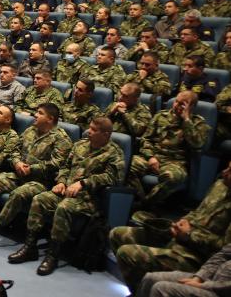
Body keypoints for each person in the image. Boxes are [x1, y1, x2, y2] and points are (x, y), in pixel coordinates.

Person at [12, 117, 124, 276]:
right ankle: (30, 247)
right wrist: (62, 181)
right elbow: (65, 166)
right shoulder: (80, 145)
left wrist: (83, 183)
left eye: (93, 130)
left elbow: (112, 178)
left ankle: (53, 255)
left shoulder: (114, 153)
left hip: (88, 199)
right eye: (89, 128)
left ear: (106, 134)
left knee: (63, 208)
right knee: (40, 199)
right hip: (65, 192)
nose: (88, 131)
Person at [112, 162, 231, 295]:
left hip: (195, 257)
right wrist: (181, 223)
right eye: (227, 167)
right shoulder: (220, 185)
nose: (224, 172)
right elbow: (197, 212)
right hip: (178, 238)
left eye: (230, 171)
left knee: (127, 253)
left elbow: (224, 248)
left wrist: (189, 235)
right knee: (118, 234)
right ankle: (141, 291)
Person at [0, 104, 73, 253]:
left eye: (39, 113)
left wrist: (32, 168)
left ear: (50, 119)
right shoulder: (30, 130)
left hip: (41, 182)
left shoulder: (61, 139)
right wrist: (17, 162)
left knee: (18, 194)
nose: (35, 115)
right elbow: (15, 150)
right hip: (19, 174)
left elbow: (58, 164)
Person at [127, 91, 209, 210]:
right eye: (176, 101)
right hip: (153, 156)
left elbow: (197, 145)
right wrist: (150, 157)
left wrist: (186, 120)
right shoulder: (161, 115)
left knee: (172, 177)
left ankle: (144, 205)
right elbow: (146, 139)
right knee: (128, 165)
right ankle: (141, 199)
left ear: (191, 107)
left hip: (175, 162)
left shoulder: (198, 122)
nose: (176, 105)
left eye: (182, 104)